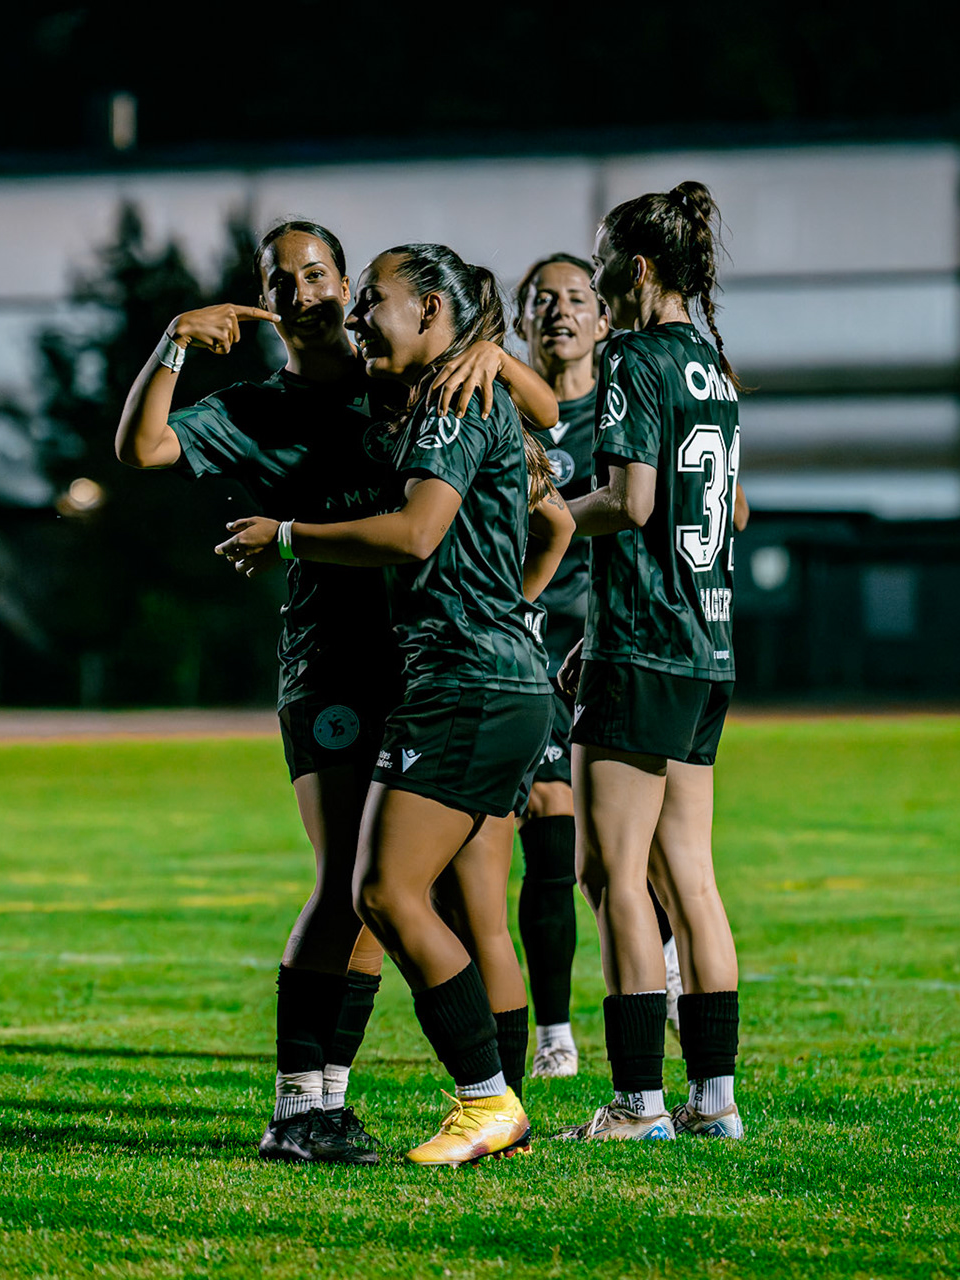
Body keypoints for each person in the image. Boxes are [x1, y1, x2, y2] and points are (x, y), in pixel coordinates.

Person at [114, 221, 559, 1165]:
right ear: (263, 301)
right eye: (283, 280)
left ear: (349, 284)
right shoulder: (257, 407)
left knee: (426, 892)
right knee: (352, 889)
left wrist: (490, 351)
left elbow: (546, 426)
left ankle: (434, 1099)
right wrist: (171, 345)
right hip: (332, 668)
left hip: (428, 663)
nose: (306, 292)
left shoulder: (398, 375)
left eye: (321, 273)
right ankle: (305, 1105)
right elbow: (142, 448)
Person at [556, 182, 749, 1142]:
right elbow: (710, 509)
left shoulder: (630, 357)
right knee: (691, 874)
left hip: (644, 645)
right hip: (707, 644)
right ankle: (714, 1103)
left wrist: (544, 514)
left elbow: (630, 505)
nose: (592, 289)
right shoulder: (711, 366)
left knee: (612, 873)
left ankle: (637, 1103)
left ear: (636, 271)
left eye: (600, 269)